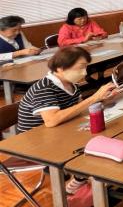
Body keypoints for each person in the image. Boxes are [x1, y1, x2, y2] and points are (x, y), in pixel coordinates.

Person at [16, 46, 116, 194]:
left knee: (103, 130)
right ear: (61, 68)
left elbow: (78, 108)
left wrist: (103, 101)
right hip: (36, 141)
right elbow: (51, 121)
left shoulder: (71, 85)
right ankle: (82, 179)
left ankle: (83, 177)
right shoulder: (44, 88)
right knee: (93, 139)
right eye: (81, 67)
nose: (84, 72)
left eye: (86, 67)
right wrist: (94, 97)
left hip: (61, 130)